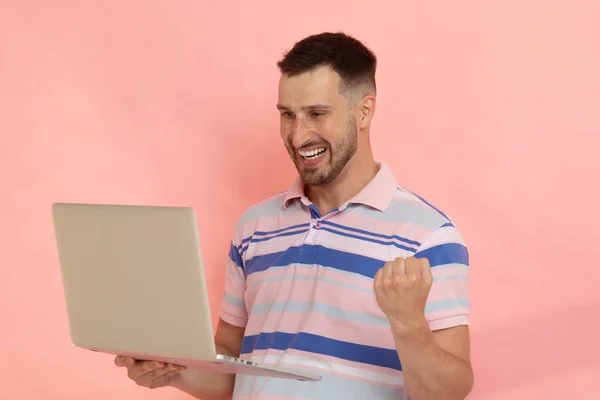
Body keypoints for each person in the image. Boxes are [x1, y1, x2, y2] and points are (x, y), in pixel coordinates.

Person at [114, 32, 474, 400]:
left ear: (364, 111)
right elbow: (233, 371)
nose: (298, 135)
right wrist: (171, 373)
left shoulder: (428, 237)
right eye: (288, 115)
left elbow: (447, 394)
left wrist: (408, 323)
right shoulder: (254, 228)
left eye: (317, 114)